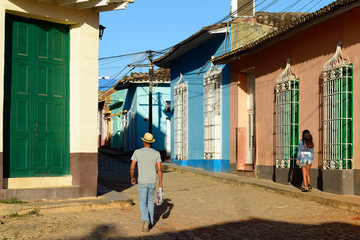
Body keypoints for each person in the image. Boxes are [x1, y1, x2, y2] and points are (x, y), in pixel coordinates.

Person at [130, 132, 163, 232]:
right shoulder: (156, 153)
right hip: (152, 180)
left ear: (144, 141)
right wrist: (160, 183)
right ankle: (151, 222)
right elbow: (159, 169)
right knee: (150, 201)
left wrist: (132, 177)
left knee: (142, 201)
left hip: (142, 181)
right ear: (151, 142)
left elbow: (132, 167)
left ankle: (145, 219)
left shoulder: (137, 152)